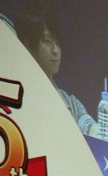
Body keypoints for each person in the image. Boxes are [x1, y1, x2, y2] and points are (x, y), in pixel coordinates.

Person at [14, 1, 95, 135]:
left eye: (57, 42)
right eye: (47, 41)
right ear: (28, 44)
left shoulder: (71, 103)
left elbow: (91, 128)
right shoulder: (15, 93)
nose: (55, 50)